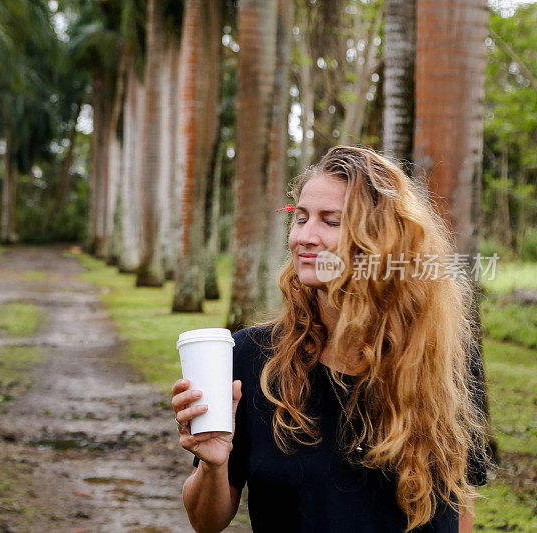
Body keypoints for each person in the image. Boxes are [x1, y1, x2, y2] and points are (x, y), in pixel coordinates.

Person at [172, 146, 490, 532]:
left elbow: (460, 501)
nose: (305, 237)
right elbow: (206, 522)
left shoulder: (446, 358)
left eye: (330, 221)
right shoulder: (252, 357)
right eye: (301, 218)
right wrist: (213, 463)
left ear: (382, 239)